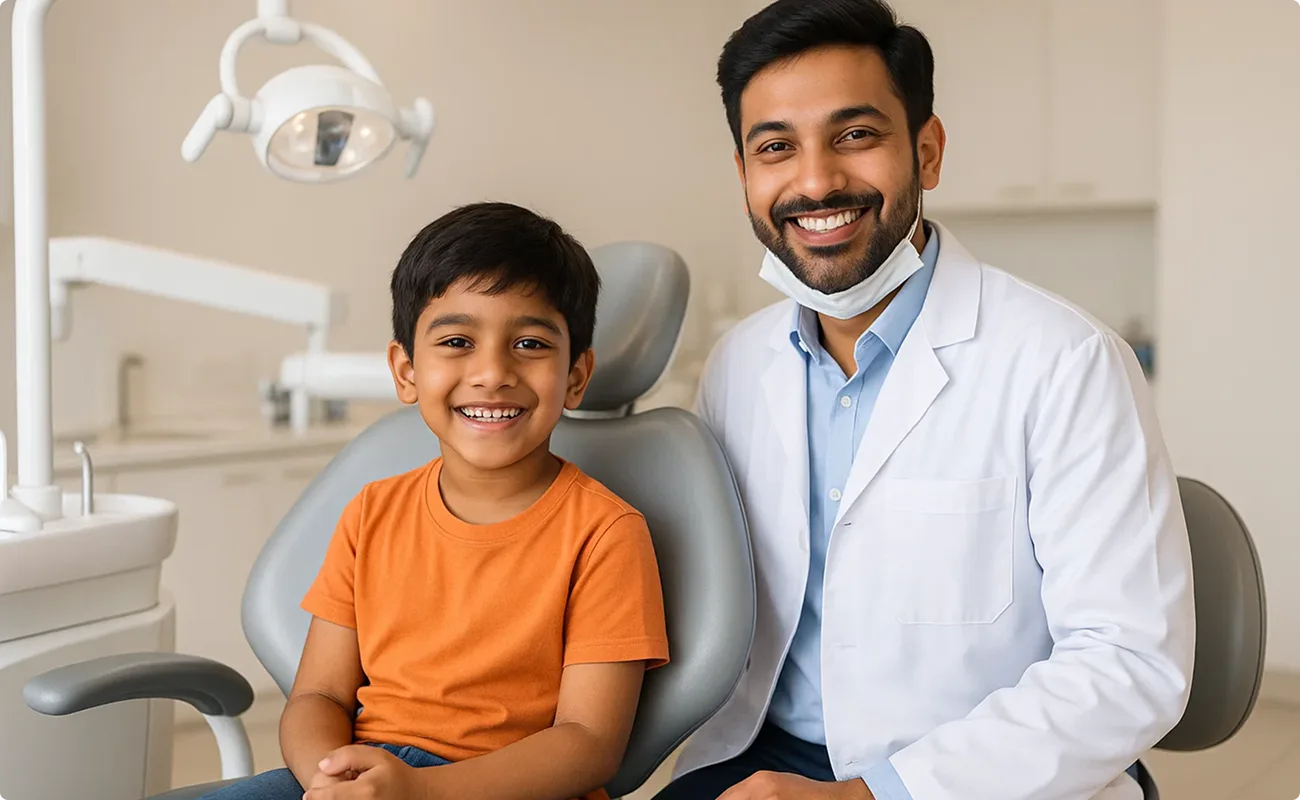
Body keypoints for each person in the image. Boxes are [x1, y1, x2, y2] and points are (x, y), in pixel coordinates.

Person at [656, 2, 1195, 799]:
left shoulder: (1066, 363)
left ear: (928, 151)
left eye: (855, 135)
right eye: (776, 148)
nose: (815, 181)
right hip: (761, 757)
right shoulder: (739, 363)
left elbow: (1129, 661)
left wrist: (873, 794)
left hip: (976, 774)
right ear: (744, 176)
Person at [200, 202, 670, 800]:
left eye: (529, 343)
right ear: (405, 371)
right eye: (456, 341)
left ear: (576, 376)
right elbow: (318, 696)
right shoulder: (372, 512)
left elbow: (587, 743)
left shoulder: (605, 533)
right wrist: (335, 777)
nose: (492, 372)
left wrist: (421, 792)